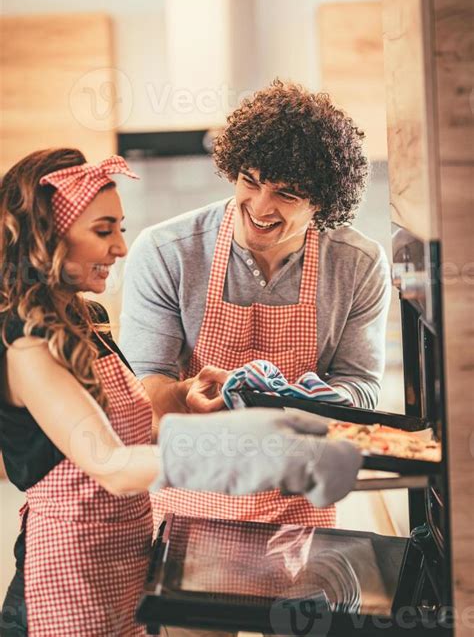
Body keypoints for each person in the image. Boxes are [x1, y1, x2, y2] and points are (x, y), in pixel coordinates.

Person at [0, 148, 362, 636]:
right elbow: (112, 465)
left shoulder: (87, 321)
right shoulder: (28, 349)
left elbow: (126, 427)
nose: (121, 248)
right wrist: (253, 445)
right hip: (66, 574)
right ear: (50, 238)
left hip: (124, 562)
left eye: (120, 229)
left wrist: (186, 397)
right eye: (102, 231)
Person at [120, 80, 391, 530]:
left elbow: (360, 387)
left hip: (297, 498)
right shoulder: (167, 251)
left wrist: (300, 401)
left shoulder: (356, 264)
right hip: (193, 495)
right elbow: (144, 397)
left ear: (322, 203)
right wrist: (186, 395)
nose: (261, 206)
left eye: (287, 193)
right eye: (251, 181)